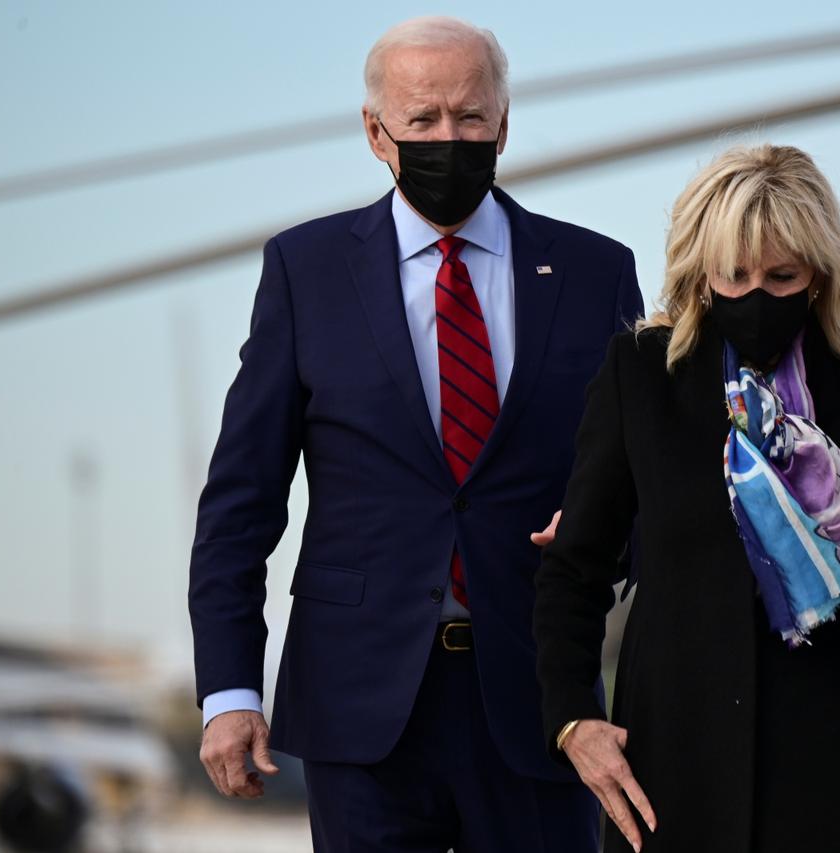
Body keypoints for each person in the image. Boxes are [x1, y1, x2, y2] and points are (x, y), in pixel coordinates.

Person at [189, 16, 643, 852]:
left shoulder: (595, 272)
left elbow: (645, 486)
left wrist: (613, 550)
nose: (450, 137)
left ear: (504, 121)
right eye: (424, 119)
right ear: (376, 131)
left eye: (470, 118)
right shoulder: (306, 270)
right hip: (358, 704)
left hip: (542, 697)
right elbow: (241, 500)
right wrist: (227, 689)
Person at [532, 144, 840, 853]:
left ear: (818, 275)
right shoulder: (644, 376)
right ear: (700, 273)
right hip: (670, 775)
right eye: (733, 275)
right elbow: (574, 569)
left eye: (781, 275)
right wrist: (573, 719)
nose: (755, 296)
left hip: (838, 775)